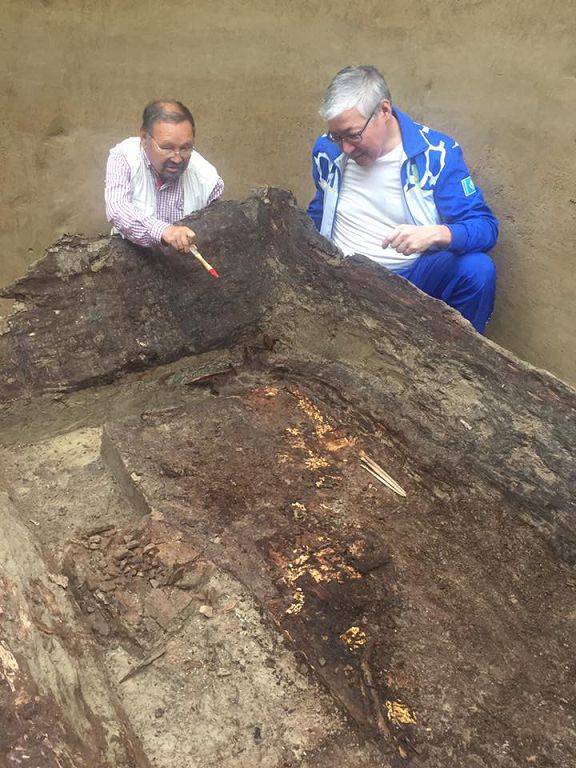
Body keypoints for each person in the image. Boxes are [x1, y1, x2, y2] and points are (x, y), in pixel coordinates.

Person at [307, 66, 499, 333]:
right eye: (337, 137)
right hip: (342, 272)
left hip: (409, 279)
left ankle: (457, 354)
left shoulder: (436, 154)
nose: (346, 148)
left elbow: (485, 226)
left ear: (384, 110)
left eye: (353, 135)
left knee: (477, 270)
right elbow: (318, 211)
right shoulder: (327, 150)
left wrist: (436, 234)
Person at [105, 100, 223, 252]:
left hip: (184, 262)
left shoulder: (208, 180)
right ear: (144, 139)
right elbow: (117, 209)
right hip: (129, 258)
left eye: (185, 148)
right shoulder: (125, 157)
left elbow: (214, 233)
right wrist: (165, 231)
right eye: (167, 147)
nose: (177, 158)